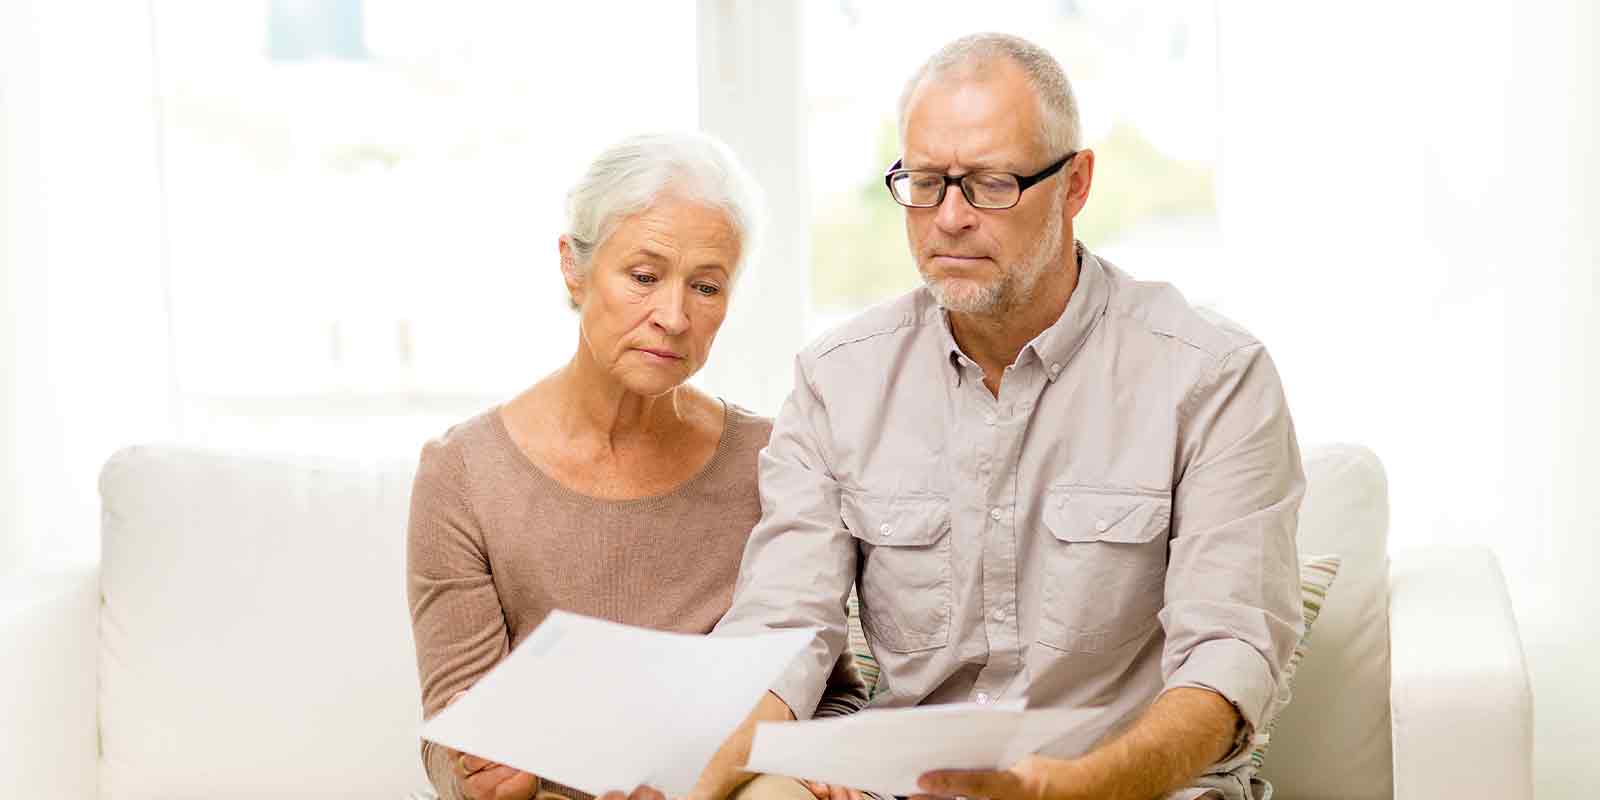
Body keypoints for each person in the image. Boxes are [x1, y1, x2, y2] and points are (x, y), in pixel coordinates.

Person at [706, 33, 1305, 800]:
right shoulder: (837, 380)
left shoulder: (1214, 375)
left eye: (990, 184)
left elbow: (1228, 658)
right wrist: (697, 780)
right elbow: (783, 632)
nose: (949, 218)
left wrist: (1077, 787)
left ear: (1076, 183)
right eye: (924, 182)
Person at [406, 132, 868, 800]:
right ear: (573, 266)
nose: (674, 317)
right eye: (645, 277)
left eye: (707, 287)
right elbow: (451, 733)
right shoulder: (463, 474)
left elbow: (833, 693)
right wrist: (481, 777)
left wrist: (812, 760)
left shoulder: (772, 459)